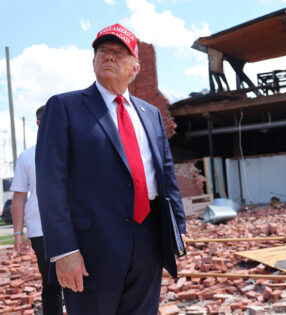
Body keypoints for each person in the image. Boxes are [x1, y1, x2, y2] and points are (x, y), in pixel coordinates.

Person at [35, 23, 186, 314]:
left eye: (119, 52)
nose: (108, 56)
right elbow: (50, 183)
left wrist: (176, 230)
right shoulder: (64, 108)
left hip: (148, 241)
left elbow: (166, 177)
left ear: (135, 68)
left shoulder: (151, 114)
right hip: (91, 247)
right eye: (102, 51)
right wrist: (64, 251)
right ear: (93, 61)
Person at [11, 105, 63, 315]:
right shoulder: (27, 156)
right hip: (41, 230)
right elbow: (19, 196)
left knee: (80, 281)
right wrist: (17, 233)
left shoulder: (72, 151)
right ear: (40, 124)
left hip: (75, 226)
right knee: (51, 284)